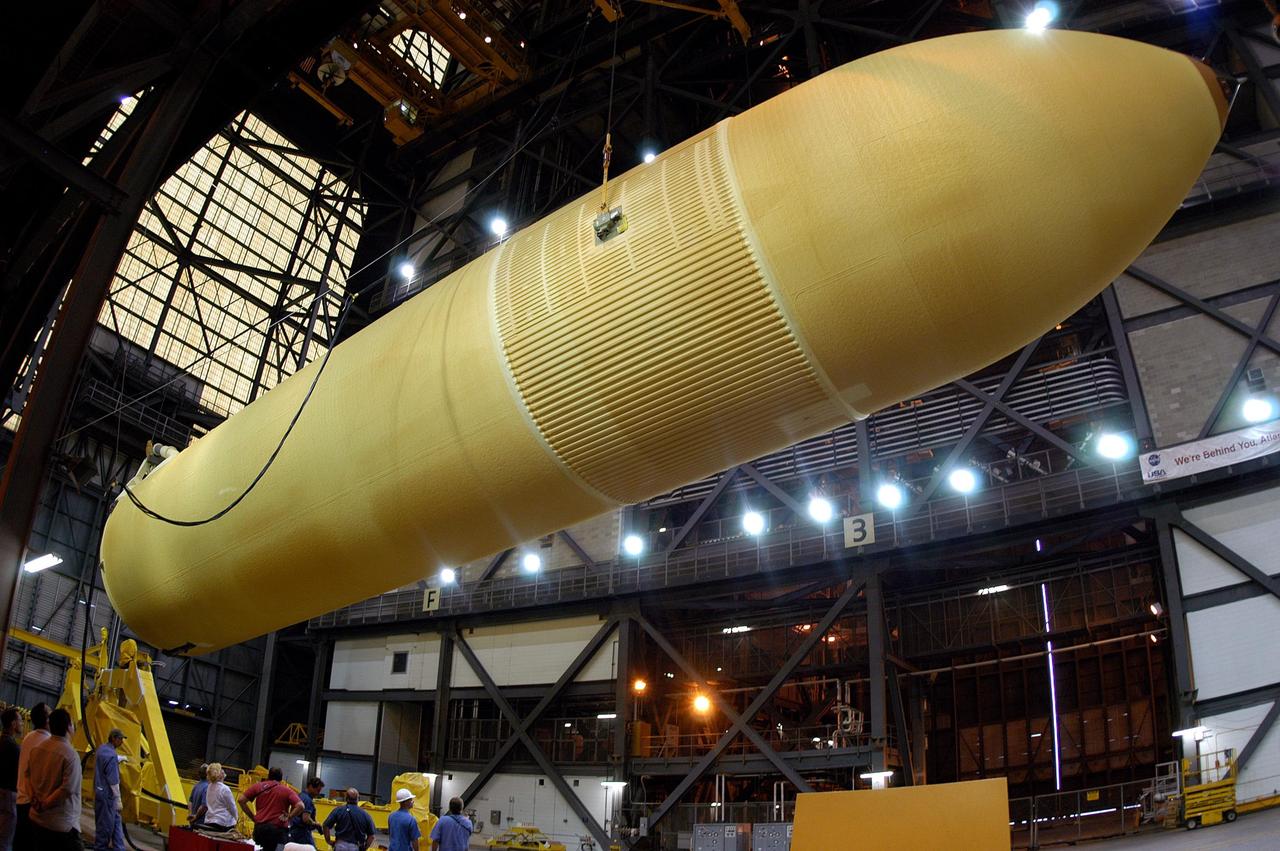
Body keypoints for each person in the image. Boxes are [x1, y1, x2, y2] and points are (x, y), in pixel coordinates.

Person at [26, 708, 81, 851]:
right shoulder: (70, 755)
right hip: (60, 825)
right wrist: (45, 805)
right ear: (69, 727)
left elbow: (27, 777)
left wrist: (34, 800)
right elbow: (67, 789)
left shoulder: (37, 749)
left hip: (36, 818)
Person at [238, 766, 302, 851]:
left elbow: (241, 800)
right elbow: (301, 806)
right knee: (279, 849)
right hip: (278, 831)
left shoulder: (258, 787)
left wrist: (253, 817)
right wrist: (289, 816)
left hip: (260, 829)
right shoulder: (286, 790)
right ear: (281, 778)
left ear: (269, 776)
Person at [14, 703, 49, 850]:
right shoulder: (48, 742)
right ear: (47, 720)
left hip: (21, 800)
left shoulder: (28, 737)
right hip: (35, 805)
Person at [92, 729, 126, 851]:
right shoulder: (111, 756)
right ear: (114, 738)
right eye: (120, 739)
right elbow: (113, 781)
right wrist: (118, 799)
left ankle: (119, 848)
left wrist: (119, 758)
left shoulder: (102, 749)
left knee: (116, 825)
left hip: (101, 794)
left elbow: (104, 761)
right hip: (108, 797)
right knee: (105, 829)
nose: (122, 742)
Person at [0, 707, 23, 851]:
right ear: (14, 724)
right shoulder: (13, 747)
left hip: (3, 793)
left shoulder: (2, 741)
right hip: (9, 796)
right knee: (6, 841)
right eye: (20, 721)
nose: (21, 724)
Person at [194, 764, 237, 833]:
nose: (223, 771)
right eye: (221, 769)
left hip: (209, 820)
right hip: (221, 823)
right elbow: (232, 807)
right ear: (219, 774)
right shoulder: (225, 788)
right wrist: (236, 819)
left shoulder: (209, 787)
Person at [288, 776, 323, 845]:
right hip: (302, 833)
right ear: (310, 787)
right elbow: (306, 819)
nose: (318, 793)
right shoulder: (307, 800)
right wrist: (316, 824)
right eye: (317, 790)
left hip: (293, 830)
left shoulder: (300, 795)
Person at [187, 764, 208, 828]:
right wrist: (196, 817)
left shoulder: (196, 786)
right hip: (201, 823)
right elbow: (204, 806)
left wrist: (191, 814)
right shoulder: (207, 787)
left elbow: (190, 802)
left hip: (193, 821)